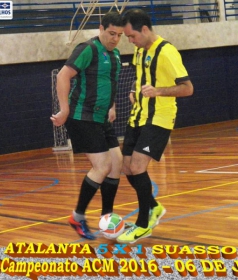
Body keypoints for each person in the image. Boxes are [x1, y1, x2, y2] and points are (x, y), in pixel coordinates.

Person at [116, 8, 194, 244]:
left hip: (159, 118)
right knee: (126, 167)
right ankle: (154, 206)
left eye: (132, 36)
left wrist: (158, 91)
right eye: (127, 37)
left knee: (138, 167)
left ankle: (143, 224)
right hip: (137, 116)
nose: (130, 41)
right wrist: (133, 90)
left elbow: (187, 88)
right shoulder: (140, 51)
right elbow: (142, 78)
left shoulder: (167, 52)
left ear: (145, 29)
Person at [50, 12, 124, 240]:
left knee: (116, 164)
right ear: (101, 28)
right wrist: (64, 109)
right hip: (82, 117)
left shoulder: (116, 55)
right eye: (111, 33)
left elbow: (109, 83)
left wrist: (111, 106)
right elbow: (63, 76)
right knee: (102, 166)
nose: (115, 39)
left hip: (102, 118)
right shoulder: (87, 49)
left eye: (119, 35)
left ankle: (106, 219)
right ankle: (77, 216)